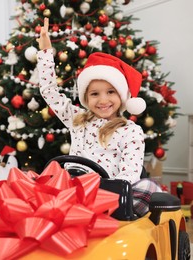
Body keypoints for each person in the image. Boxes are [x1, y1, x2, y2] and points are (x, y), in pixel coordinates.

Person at [36, 18, 161, 216]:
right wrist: (45, 53)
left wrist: (109, 192)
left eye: (111, 92)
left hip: (108, 196)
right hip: (72, 190)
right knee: (37, 185)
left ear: (121, 96)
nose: (103, 100)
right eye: (95, 94)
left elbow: (129, 173)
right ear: (86, 97)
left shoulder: (131, 131)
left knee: (149, 188)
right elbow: (49, 91)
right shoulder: (77, 119)